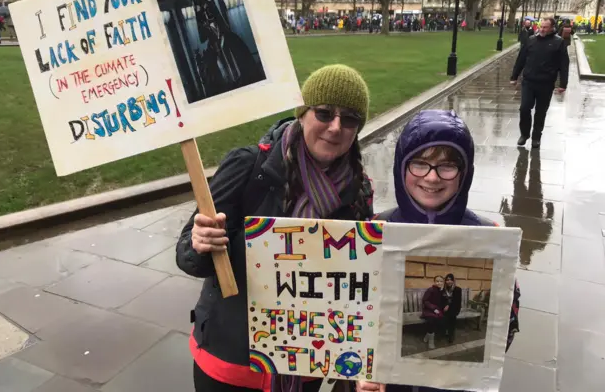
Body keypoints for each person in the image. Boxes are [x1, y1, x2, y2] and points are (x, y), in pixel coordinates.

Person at [176, 65, 373, 392]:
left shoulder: (357, 189)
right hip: (233, 365)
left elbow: (360, 285)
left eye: (349, 119)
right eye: (324, 113)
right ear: (302, 113)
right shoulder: (249, 166)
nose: (335, 127)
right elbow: (188, 255)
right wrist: (198, 243)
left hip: (313, 366)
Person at [357, 109, 521, 392]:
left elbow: (507, 321)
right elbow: (351, 315)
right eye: (419, 164)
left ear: (464, 173)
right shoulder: (373, 231)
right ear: (401, 167)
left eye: (447, 166)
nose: (432, 178)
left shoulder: (489, 237)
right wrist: (362, 372)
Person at [510, 17, 569, 149]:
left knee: (540, 112)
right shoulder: (531, 40)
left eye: (545, 27)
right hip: (529, 81)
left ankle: (536, 137)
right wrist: (514, 76)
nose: (542, 29)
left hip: (546, 83)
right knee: (524, 108)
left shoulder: (558, 43)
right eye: (541, 26)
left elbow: (564, 65)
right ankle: (524, 134)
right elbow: (521, 59)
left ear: (552, 28)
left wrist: (563, 84)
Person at [421, 275, 445, 350]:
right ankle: (431, 341)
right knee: (431, 320)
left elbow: (443, 301)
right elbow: (425, 301)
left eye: (441, 281)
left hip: (438, 310)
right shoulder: (430, 290)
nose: (439, 283)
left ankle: (428, 335)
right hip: (429, 310)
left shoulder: (442, 291)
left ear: (443, 282)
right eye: (437, 281)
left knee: (440, 319)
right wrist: (433, 309)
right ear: (434, 282)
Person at [442, 273, 462, 343]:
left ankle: (451, 335)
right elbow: (442, 301)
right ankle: (447, 332)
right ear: (445, 281)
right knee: (445, 318)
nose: (449, 281)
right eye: (447, 280)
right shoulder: (443, 290)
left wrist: (448, 305)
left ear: (453, 281)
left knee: (451, 318)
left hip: (454, 309)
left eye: (451, 280)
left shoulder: (457, 289)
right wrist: (445, 305)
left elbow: (457, 302)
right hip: (445, 309)